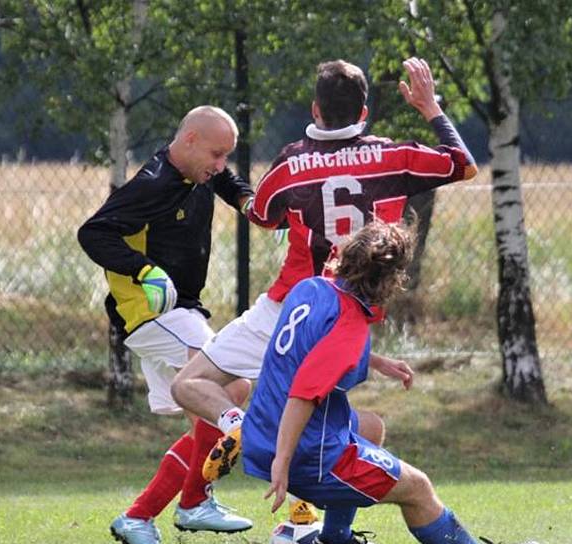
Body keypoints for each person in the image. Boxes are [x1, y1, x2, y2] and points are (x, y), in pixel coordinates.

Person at [170, 57, 478, 479]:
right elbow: (463, 163)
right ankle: (323, 526)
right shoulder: (392, 156)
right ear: (364, 113)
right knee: (349, 426)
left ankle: (238, 426)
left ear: (315, 110)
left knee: (188, 385)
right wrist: (430, 107)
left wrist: (229, 185)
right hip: (345, 320)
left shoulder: (290, 165)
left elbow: (262, 214)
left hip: (290, 308)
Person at [245, 220, 540, 544]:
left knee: (370, 427)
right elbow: (305, 394)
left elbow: (310, 351)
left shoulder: (310, 288)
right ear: (388, 280)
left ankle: (333, 539)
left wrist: (376, 361)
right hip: (305, 452)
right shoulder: (349, 325)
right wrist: (284, 460)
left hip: (260, 429)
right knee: (417, 488)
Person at [77, 105, 255, 544]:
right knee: (229, 385)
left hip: (179, 313)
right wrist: (144, 270)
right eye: (216, 154)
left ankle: (139, 517)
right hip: (152, 311)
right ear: (190, 139)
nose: (220, 165)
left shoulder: (197, 171)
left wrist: (251, 204)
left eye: (226, 156)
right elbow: (93, 232)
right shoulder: (153, 184)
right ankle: (194, 502)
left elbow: (225, 181)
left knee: (205, 414)